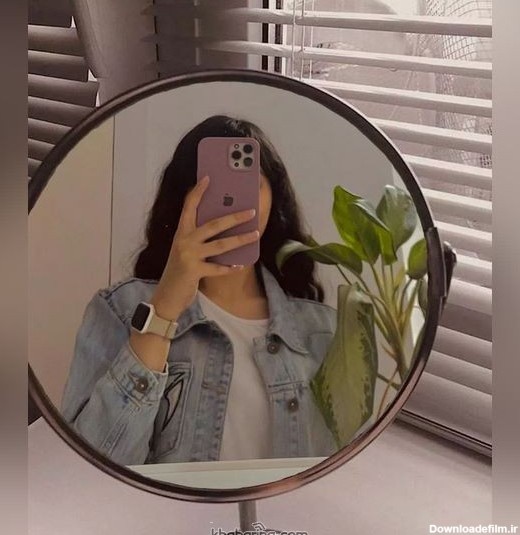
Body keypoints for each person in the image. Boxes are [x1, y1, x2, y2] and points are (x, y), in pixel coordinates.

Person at [61, 115, 337, 466]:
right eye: (213, 186)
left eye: (252, 184)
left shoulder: (321, 329)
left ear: (274, 199)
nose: (233, 201)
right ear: (183, 201)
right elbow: (87, 466)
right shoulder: (119, 310)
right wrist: (163, 310)